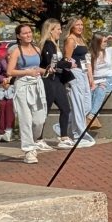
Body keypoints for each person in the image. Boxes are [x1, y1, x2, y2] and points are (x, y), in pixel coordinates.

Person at [5, 24, 52, 163]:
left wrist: (46, 71)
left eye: (30, 32)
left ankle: (34, 140)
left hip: (37, 84)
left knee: (39, 119)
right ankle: (29, 150)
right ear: (19, 36)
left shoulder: (37, 49)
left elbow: (38, 67)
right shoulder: (16, 51)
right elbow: (10, 71)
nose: (28, 35)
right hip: (22, 85)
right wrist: (27, 72)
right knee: (25, 118)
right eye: (25, 33)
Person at [39, 19, 74, 147]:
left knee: (65, 108)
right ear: (51, 30)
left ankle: (63, 137)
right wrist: (69, 63)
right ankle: (38, 138)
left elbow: (57, 63)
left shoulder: (55, 44)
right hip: (49, 81)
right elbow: (51, 63)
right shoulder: (48, 45)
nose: (60, 31)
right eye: (58, 29)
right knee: (45, 110)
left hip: (58, 80)